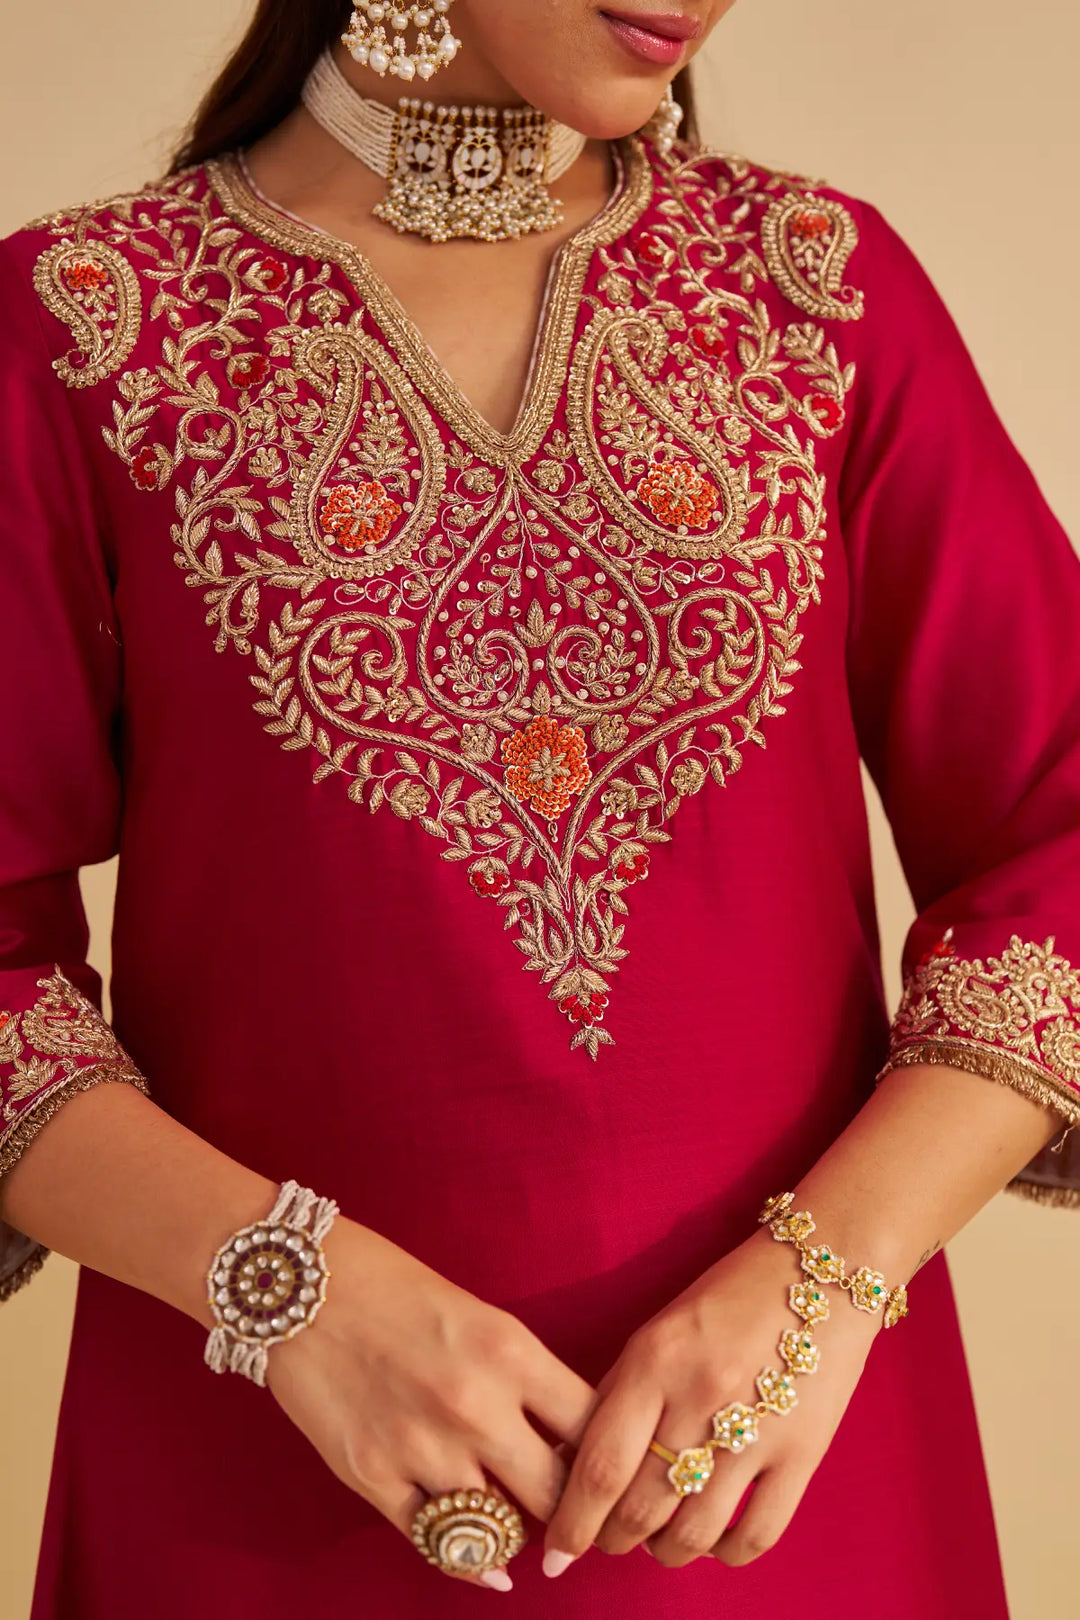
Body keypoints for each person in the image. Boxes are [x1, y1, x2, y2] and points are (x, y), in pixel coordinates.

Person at [1, 1, 1077, 1614]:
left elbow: (1059, 832)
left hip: (778, 1507)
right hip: (255, 1495)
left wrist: (823, 1275)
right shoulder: (84, 324)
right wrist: (286, 1291)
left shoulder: (816, 292)